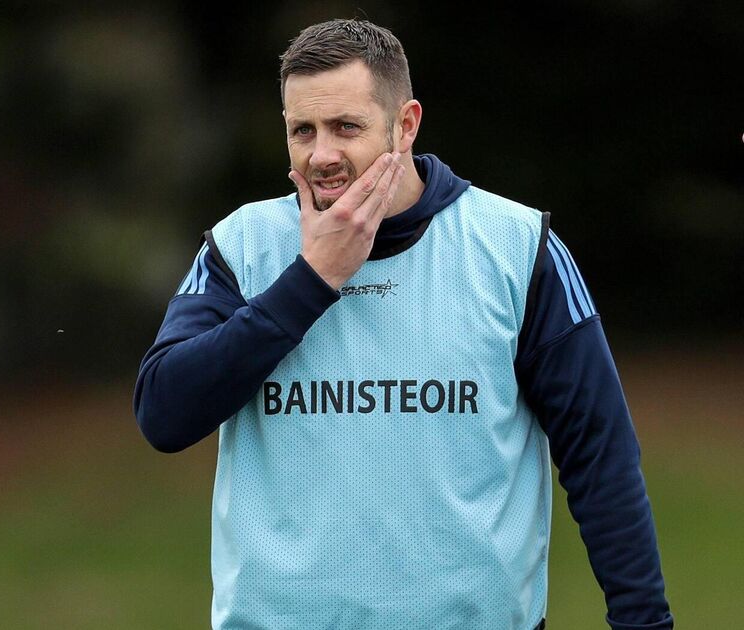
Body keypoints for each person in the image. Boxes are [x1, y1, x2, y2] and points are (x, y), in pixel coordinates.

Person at [133, 18, 673, 630]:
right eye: (302, 130)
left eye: (346, 127)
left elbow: (600, 455)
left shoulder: (518, 246)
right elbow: (164, 414)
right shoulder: (243, 246)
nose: (321, 155)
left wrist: (644, 621)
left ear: (406, 125)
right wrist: (310, 280)